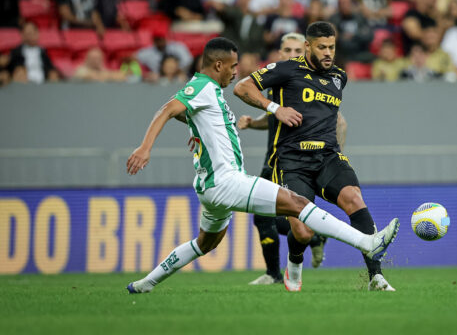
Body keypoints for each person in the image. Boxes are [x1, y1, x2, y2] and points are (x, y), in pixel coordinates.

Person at [126, 37, 400, 293]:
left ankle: (146, 283)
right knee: (299, 204)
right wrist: (145, 147)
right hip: (227, 181)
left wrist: (196, 128)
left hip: (210, 188)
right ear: (218, 65)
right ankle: (367, 241)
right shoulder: (201, 87)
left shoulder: (208, 93)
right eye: (233, 66)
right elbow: (168, 109)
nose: (235, 72)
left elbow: (187, 114)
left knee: (204, 243)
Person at [233, 22, 396, 292]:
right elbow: (242, 87)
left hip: (328, 157)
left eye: (332, 46)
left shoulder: (339, 77)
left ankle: (376, 277)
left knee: (354, 199)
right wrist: (275, 109)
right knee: (303, 231)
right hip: (292, 162)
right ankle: (294, 263)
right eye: (322, 47)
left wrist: (339, 152)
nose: (328, 52)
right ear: (308, 46)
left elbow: (335, 120)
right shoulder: (286, 68)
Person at [237, 33, 347, 285]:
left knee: (287, 217)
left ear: (306, 51)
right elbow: (279, 116)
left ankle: (311, 238)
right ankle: (274, 272)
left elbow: (339, 121)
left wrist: (335, 157)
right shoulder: (281, 78)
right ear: (279, 52)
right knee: (263, 215)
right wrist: (254, 124)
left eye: (296, 49)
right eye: (286, 49)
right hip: (273, 159)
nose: (291, 54)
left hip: (296, 163)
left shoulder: (310, 81)